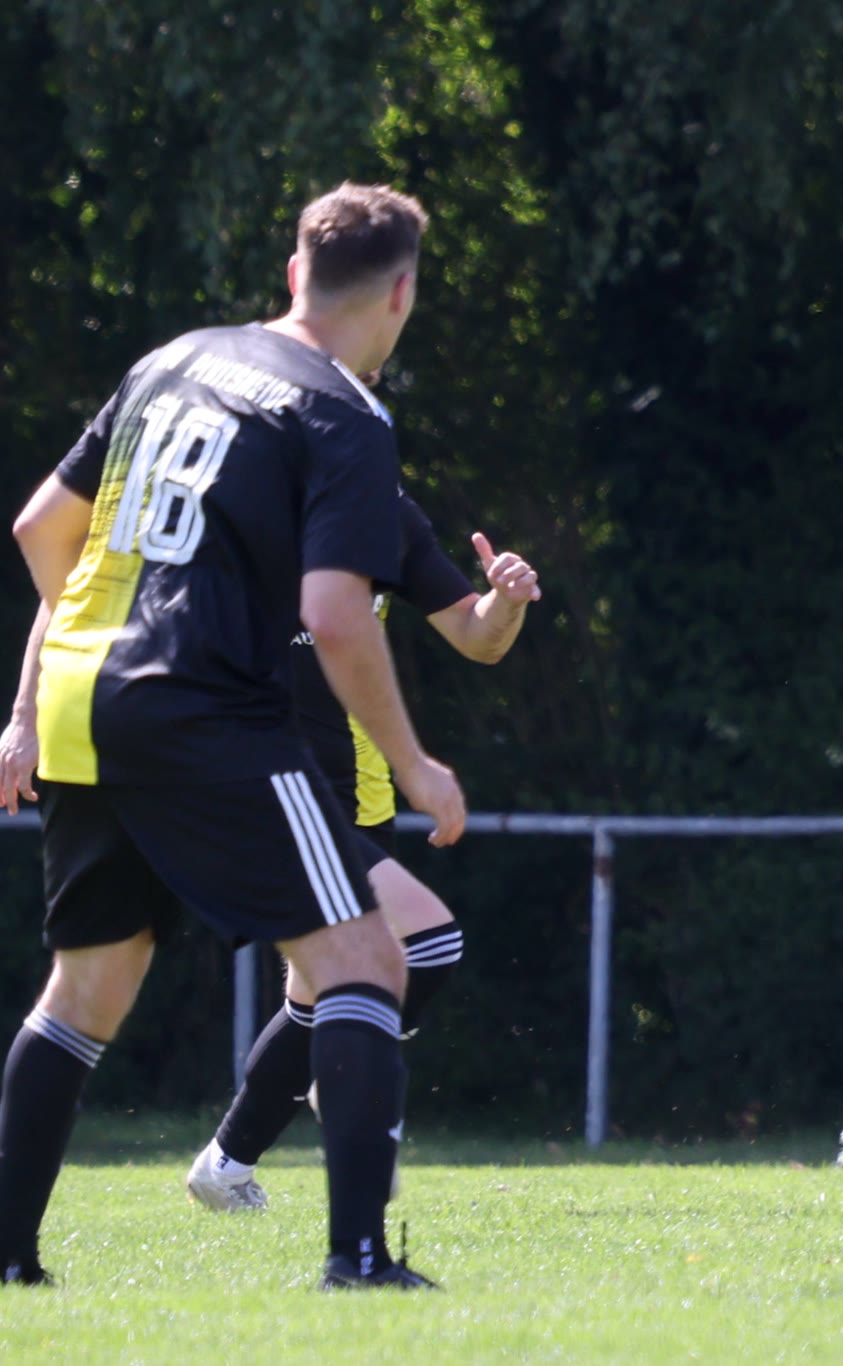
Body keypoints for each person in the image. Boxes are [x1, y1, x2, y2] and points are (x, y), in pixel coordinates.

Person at [0, 182, 461, 1289]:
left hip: (82, 695)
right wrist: (413, 765)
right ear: (400, 294)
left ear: (297, 273)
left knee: (86, 989)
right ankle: (358, 1262)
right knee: (367, 959)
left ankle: (8, 1259)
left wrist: (95, 649)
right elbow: (335, 616)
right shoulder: (344, 413)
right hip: (203, 707)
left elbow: (40, 527)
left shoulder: (175, 359)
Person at [183, 494, 541, 1211]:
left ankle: (225, 1167)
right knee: (428, 943)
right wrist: (31, 715)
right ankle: (350, 1062)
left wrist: (506, 602)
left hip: (359, 803)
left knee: (315, 1000)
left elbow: (479, 638)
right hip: (265, 788)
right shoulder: (231, 500)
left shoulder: (385, 514)